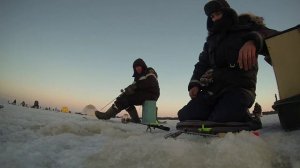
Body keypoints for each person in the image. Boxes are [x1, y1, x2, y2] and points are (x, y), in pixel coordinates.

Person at [177, 0, 277, 128]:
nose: (215, 18)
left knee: (223, 117)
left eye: (218, 14)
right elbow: (202, 64)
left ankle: (249, 118)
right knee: (186, 116)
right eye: (212, 16)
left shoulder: (246, 27)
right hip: (214, 89)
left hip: (240, 88)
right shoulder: (211, 42)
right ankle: (217, 115)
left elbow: (271, 35)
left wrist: (253, 40)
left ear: (228, 13)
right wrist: (194, 83)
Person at [95, 58, 160, 123]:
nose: (137, 68)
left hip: (152, 94)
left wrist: (135, 87)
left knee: (125, 99)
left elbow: (151, 83)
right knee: (124, 99)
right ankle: (136, 120)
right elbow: (134, 87)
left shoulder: (149, 71)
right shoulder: (137, 77)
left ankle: (106, 115)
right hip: (143, 94)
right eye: (135, 67)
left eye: (139, 66)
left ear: (143, 65)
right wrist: (127, 91)